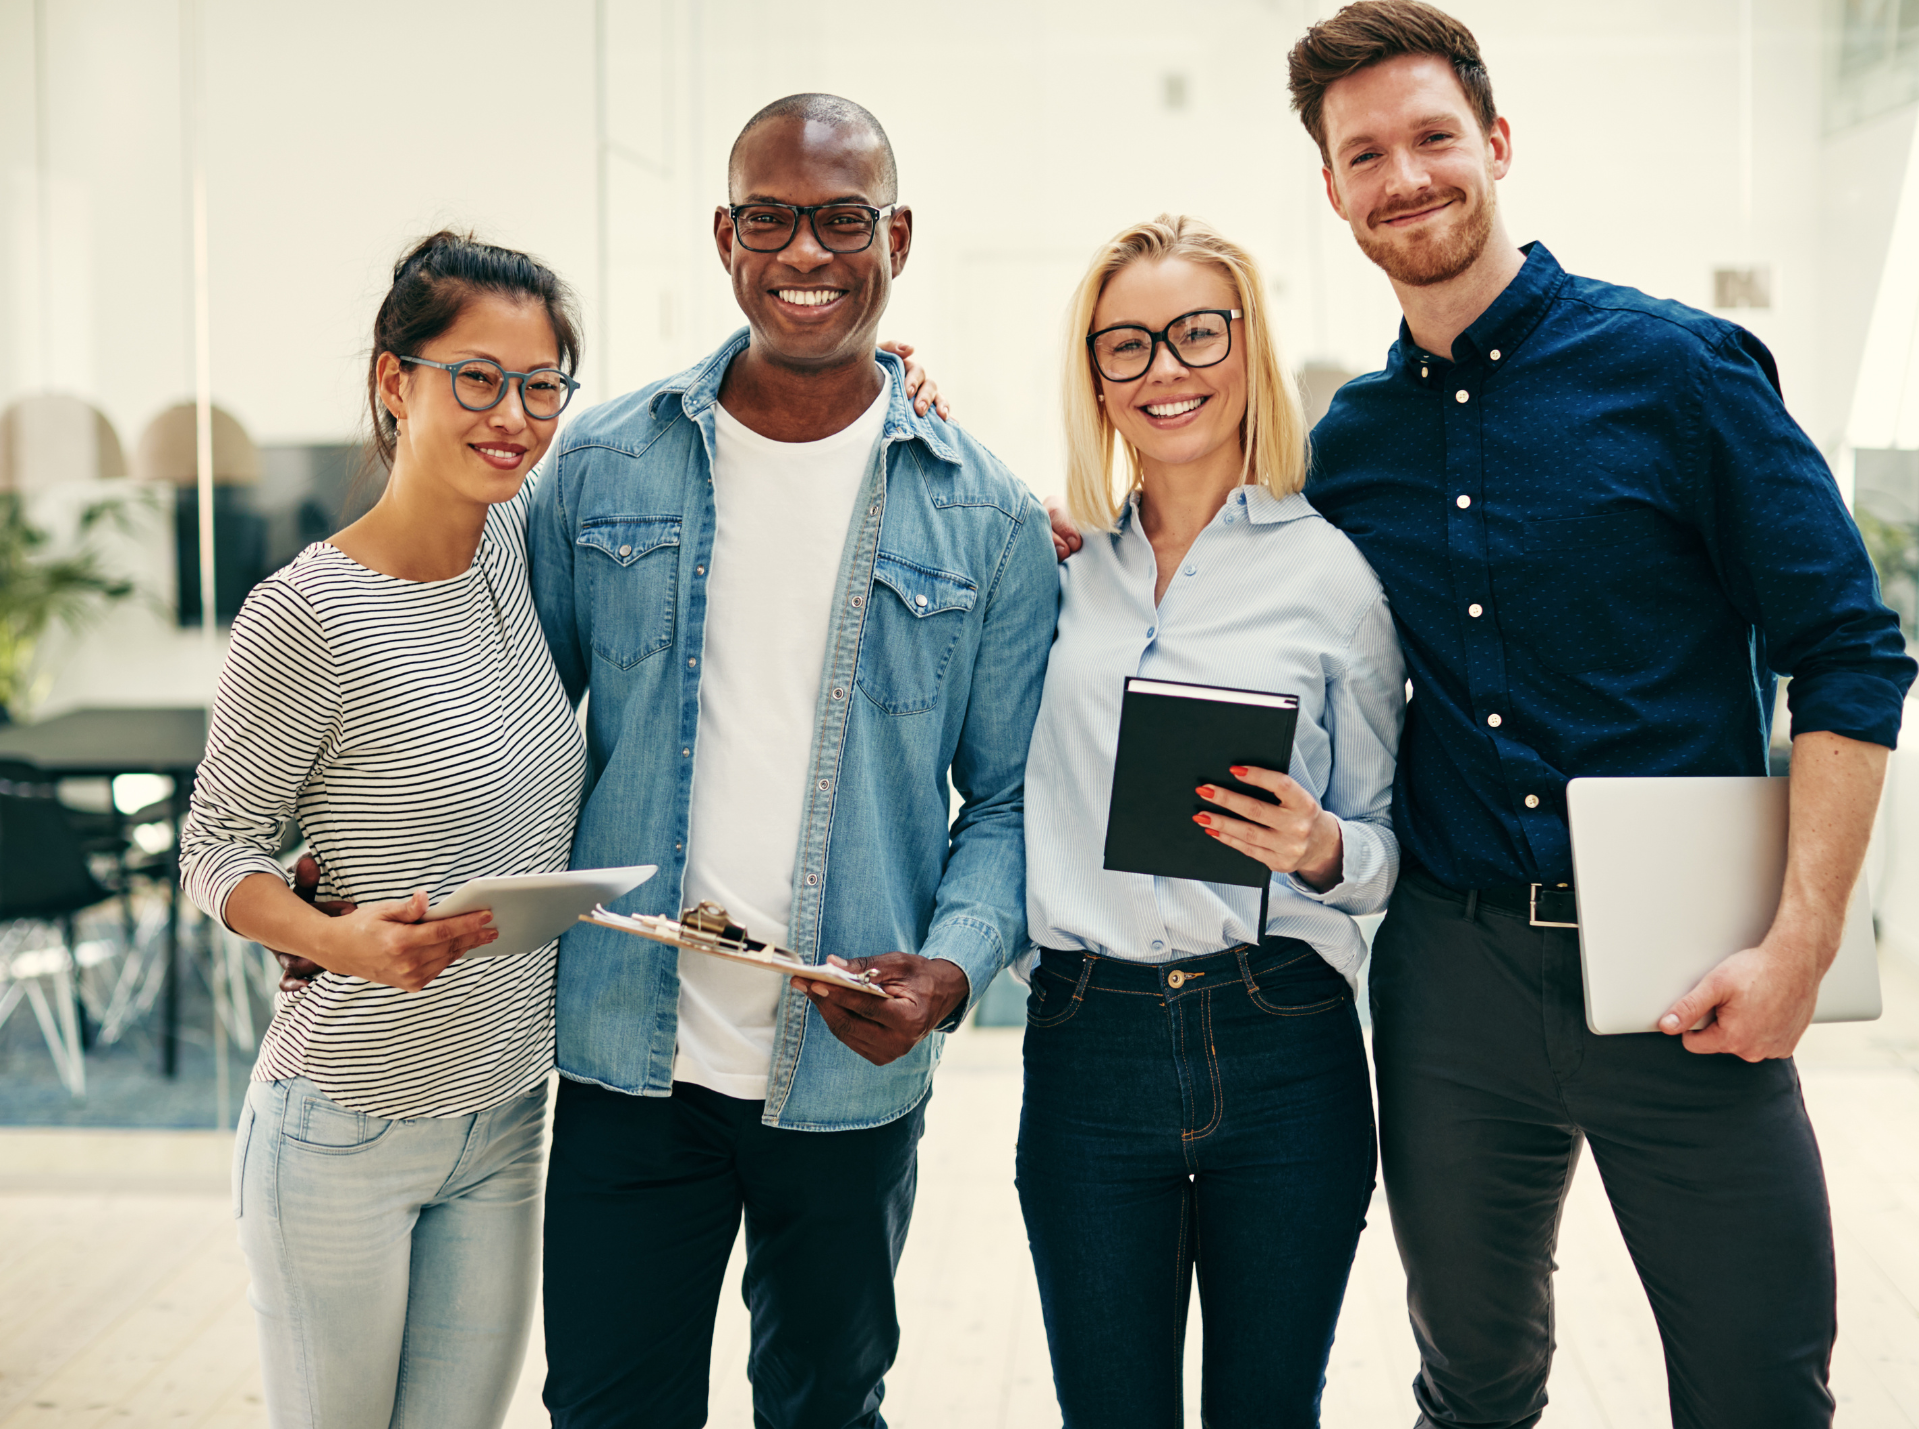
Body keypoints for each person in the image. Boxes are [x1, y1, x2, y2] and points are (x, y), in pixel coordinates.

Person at [1278, 4, 1914, 1425]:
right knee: (1474, 1388)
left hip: (1696, 968)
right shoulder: (1349, 452)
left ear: (1495, 143)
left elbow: (1849, 652)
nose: (1406, 175)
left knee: (1760, 1385)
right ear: (1333, 189)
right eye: (1364, 152)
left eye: (1433, 136)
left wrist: (1802, 943)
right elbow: (1211, 564)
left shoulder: (1682, 371)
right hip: (1451, 979)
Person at [525, 93, 1059, 1428]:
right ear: (726, 235)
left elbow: (1007, 801)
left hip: (845, 1070)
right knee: (605, 1407)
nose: (806, 254)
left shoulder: (985, 514)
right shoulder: (600, 465)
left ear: (899, 236)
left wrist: (953, 968)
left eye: (842, 220)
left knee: (826, 1406)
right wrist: (365, 864)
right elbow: (511, 723)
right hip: (623, 1056)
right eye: (772, 219)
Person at [180, 231, 589, 1428]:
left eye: (539, 384)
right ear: (392, 381)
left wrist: (886, 380)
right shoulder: (305, 612)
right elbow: (217, 847)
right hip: (342, 1128)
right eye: (475, 376)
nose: (510, 414)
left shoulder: (522, 547)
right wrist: (342, 938)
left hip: (507, 1115)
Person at [1018, 214, 1402, 1428]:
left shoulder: (1335, 576)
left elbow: (1388, 841)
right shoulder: (1051, 568)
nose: (1163, 371)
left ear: (1248, 348)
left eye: (1194, 333)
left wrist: (1322, 847)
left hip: (1280, 1038)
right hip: (1089, 1040)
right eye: (1123, 345)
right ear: (1093, 377)